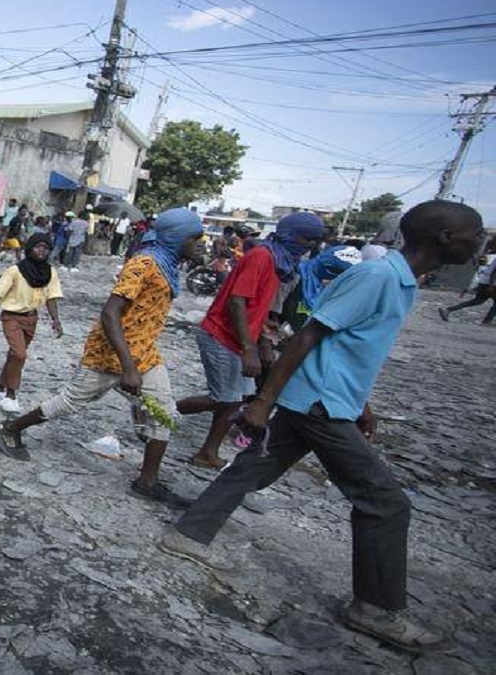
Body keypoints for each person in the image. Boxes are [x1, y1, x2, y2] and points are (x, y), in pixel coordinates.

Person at [159, 200, 484, 654]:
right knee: (385, 503)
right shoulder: (378, 276)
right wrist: (262, 402)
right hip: (318, 404)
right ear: (445, 237)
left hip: (326, 398)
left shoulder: (400, 279)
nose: (481, 241)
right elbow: (310, 334)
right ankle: (374, 607)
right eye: (476, 232)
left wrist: (361, 403)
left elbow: (350, 347)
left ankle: (188, 532)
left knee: (254, 467)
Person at [0, 209, 205, 506]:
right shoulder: (144, 264)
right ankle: (10, 428)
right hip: (110, 353)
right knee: (70, 402)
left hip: (145, 353)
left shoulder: (167, 266)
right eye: (195, 237)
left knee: (165, 413)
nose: (201, 243)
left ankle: (147, 481)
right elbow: (110, 313)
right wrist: (128, 367)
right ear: (176, 237)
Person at [177, 213, 324, 469]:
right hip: (221, 333)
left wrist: (262, 340)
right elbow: (237, 301)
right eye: (305, 238)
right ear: (291, 233)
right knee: (224, 398)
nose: (309, 245)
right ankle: (162, 410)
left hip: (238, 338)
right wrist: (249, 349)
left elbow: (260, 307)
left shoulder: (281, 262)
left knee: (234, 399)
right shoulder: (262, 257)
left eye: (314, 240)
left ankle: (207, 452)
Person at [0, 233, 63, 413]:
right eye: (38, 247)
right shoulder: (15, 271)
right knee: (20, 354)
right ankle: (11, 394)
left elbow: (51, 298)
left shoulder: (50, 272)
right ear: (29, 248)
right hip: (12, 317)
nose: (42, 251)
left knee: (14, 356)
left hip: (31, 319)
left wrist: (56, 320)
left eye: (46, 248)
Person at [281, 245, 361, 332]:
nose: (334, 277)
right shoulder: (294, 276)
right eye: (332, 270)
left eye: (342, 274)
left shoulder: (347, 288)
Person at [438, 236, 496, 324]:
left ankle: (448, 310)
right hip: (490, 283)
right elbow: (490, 271)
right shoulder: (488, 256)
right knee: (479, 301)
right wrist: (491, 285)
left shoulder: (486, 256)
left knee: (477, 301)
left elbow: (479, 267)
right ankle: (486, 322)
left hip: (484, 281)